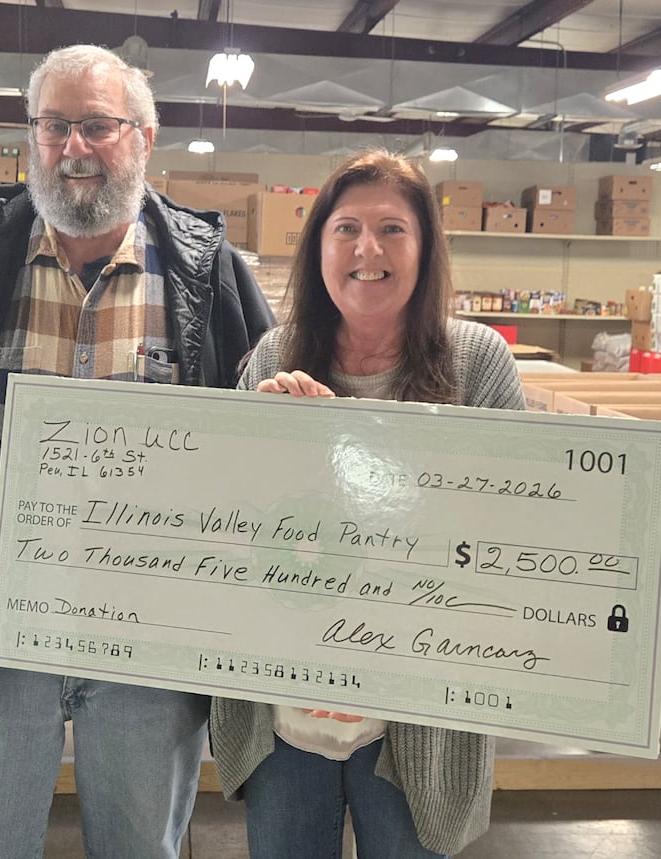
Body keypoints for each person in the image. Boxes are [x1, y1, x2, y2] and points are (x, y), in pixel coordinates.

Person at [0, 44, 274, 858]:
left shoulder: (206, 272)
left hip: (153, 640)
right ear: (32, 135)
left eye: (97, 125)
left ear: (144, 137)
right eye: (54, 126)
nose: (73, 148)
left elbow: (266, 448)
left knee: (140, 843)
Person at [210, 149, 526, 859]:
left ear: (426, 248)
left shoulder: (477, 362)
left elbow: (504, 539)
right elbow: (229, 535)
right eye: (346, 227)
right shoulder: (272, 358)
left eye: (393, 228)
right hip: (287, 714)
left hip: (419, 719)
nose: (368, 249)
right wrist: (259, 450)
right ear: (319, 245)